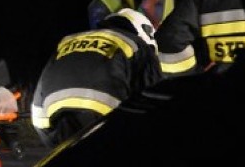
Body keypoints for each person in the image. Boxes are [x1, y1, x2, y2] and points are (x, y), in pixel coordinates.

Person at [31, 8, 162, 148]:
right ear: (145, 33)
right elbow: (155, 98)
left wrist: (53, 145)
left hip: (58, 125)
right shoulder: (138, 45)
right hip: (105, 124)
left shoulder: (66, 41)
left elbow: (40, 98)